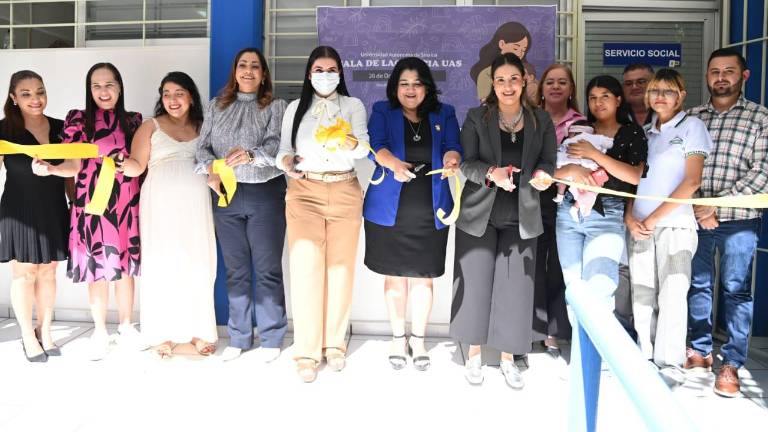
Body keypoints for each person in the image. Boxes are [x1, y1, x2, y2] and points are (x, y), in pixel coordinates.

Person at [450, 53, 555, 389]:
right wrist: (491, 173)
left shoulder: (541, 120)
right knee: (475, 284)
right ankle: (474, 355)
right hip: (479, 213)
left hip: (522, 214)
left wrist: (543, 176)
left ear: (524, 81)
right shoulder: (477, 117)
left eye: (513, 79)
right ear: (492, 85)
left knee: (516, 288)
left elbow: (548, 162)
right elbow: (467, 164)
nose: (507, 86)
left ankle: (509, 357)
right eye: (500, 80)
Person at [32, 63, 146, 361]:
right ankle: (100, 331)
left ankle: (126, 326)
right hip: (91, 204)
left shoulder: (134, 121)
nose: (103, 91)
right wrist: (52, 169)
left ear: (119, 87)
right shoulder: (78, 119)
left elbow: (139, 163)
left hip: (125, 203)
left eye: (109, 84)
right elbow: (73, 164)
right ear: (89, 89)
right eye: (96, 86)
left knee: (124, 267)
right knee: (97, 267)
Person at [537, 74, 647, 378]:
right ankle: (583, 359)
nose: (599, 103)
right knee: (575, 288)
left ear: (618, 100)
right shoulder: (579, 130)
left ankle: (602, 358)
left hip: (607, 215)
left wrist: (595, 155)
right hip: (568, 213)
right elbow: (553, 170)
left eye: (605, 97)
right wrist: (573, 167)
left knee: (600, 286)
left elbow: (634, 176)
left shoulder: (631, 133)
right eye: (594, 98)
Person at [276, 45, 369, 383]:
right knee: (306, 270)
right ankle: (306, 352)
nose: (325, 75)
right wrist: (287, 163)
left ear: (340, 74)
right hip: (305, 192)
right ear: (309, 73)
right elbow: (283, 152)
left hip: (345, 190)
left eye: (331, 70)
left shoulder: (353, 106)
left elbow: (364, 148)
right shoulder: (295, 108)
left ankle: (335, 345)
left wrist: (351, 143)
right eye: (319, 70)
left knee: (340, 269)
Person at [362, 57, 462, 371]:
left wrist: (452, 159)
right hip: (389, 209)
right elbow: (376, 146)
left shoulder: (444, 113)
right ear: (395, 87)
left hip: (432, 208)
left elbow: (453, 145)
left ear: (427, 87)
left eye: (417, 83)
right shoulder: (383, 110)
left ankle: (418, 340)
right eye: (404, 83)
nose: (410, 89)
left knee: (423, 279)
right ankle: (397, 338)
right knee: (394, 278)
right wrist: (393, 164)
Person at [195, 47, 288, 362]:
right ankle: (238, 337)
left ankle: (272, 337)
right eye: (243, 65)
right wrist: (211, 170)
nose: (248, 71)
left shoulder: (276, 106)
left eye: (255, 66)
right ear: (235, 72)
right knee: (235, 270)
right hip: (226, 194)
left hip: (265, 194)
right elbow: (202, 148)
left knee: (267, 269)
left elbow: (277, 148)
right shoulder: (216, 106)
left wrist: (251, 155)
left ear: (263, 74)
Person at [686, 48, 768, 397]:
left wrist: (715, 204)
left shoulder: (761, 118)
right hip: (694, 216)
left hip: (739, 219)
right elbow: (678, 167)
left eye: (729, 71)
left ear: (743, 76)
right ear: (707, 76)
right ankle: (700, 350)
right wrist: (698, 205)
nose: (721, 77)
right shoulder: (692, 117)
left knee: (736, 289)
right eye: (715, 71)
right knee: (698, 284)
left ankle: (732, 362)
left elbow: (762, 171)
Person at [121, 72, 217, 359]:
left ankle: (198, 331)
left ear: (191, 97)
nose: (172, 100)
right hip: (159, 203)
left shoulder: (204, 126)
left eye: (179, 93)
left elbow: (214, 163)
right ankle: (162, 334)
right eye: (167, 94)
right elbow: (137, 166)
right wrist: (119, 164)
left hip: (196, 203)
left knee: (198, 262)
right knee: (162, 263)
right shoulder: (149, 126)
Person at [626, 68, 710, 385]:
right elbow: (634, 183)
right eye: (655, 90)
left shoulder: (692, 127)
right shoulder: (645, 133)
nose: (660, 96)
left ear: (681, 96)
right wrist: (630, 218)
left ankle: (670, 361)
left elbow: (692, 182)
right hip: (640, 227)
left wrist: (653, 218)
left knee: (673, 293)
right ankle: (644, 356)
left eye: (668, 91)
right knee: (642, 293)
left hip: (675, 226)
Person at [1, 70, 67, 362]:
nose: (35, 99)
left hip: (53, 206)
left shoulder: (61, 127)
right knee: (25, 273)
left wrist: (78, 206)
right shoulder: (3, 129)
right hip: (19, 210)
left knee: (49, 272)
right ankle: (28, 335)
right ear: (14, 98)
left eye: (40, 91)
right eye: (26, 94)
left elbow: (71, 173)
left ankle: (45, 329)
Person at [532, 63, 582, 356]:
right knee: (532, 265)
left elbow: (583, 163)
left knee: (558, 268)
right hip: (531, 197)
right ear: (541, 88)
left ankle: (553, 330)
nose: (555, 86)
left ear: (571, 89)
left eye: (562, 82)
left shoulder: (581, 123)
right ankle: (531, 328)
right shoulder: (531, 118)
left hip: (567, 201)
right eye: (550, 81)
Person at [470, 22, 537, 102]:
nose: (519, 54)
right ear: (502, 44)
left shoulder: (528, 73)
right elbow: (487, 104)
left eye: (523, 50)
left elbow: (536, 99)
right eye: (515, 48)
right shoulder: (486, 74)